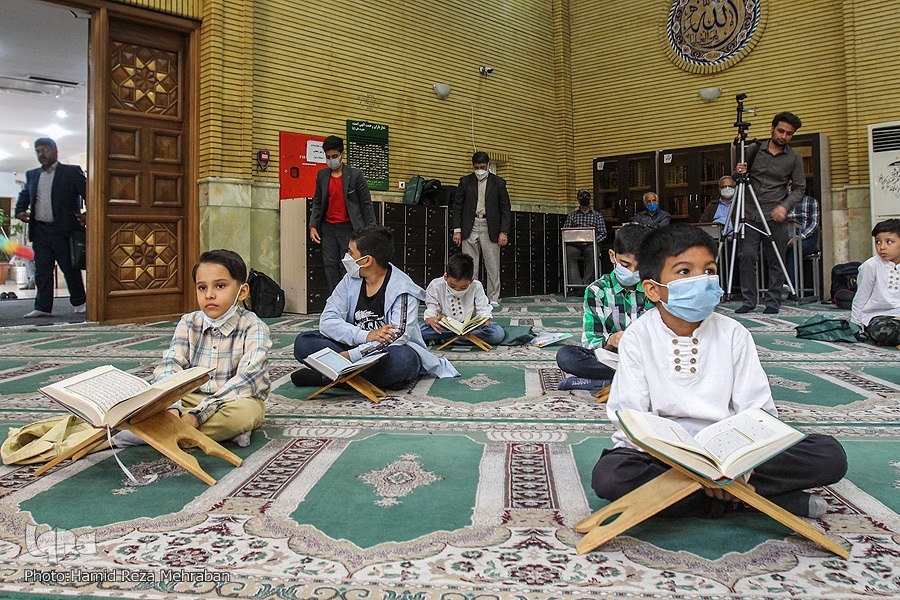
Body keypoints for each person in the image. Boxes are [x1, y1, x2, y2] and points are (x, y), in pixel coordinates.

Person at [591, 225, 847, 518]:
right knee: (611, 475)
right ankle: (745, 502)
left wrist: (740, 469)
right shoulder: (638, 337)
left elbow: (758, 410)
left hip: (733, 454)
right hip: (665, 458)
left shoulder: (733, 333)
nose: (701, 280)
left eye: (709, 271)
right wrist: (690, 466)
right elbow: (630, 417)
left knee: (828, 454)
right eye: (685, 272)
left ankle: (705, 495)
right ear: (652, 289)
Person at [113, 249, 271, 448]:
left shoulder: (253, 326)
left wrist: (198, 415)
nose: (210, 295)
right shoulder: (188, 323)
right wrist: (171, 407)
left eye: (220, 286)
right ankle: (195, 433)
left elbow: (248, 379)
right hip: (187, 398)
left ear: (242, 292)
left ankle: (153, 434)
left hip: (232, 400)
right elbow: (170, 366)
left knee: (245, 414)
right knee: (139, 403)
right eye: (202, 287)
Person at [292, 225, 458, 389]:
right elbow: (327, 320)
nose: (346, 256)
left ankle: (328, 378)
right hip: (355, 344)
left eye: (351, 252)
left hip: (385, 353)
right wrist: (365, 336)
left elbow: (398, 336)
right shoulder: (350, 280)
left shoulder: (403, 288)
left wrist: (351, 356)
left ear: (367, 260)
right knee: (303, 342)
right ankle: (360, 379)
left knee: (405, 360)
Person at [556, 223, 652, 389]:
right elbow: (591, 341)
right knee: (566, 356)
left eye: (639, 267)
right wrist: (611, 340)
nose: (632, 272)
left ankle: (609, 381)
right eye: (625, 264)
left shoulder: (653, 287)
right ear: (612, 256)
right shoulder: (597, 290)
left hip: (648, 358)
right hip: (613, 359)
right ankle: (633, 379)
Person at [734, 112, 806, 315]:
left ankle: (773, 302)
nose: (783, 136)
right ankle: (749, 300)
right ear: (772, 128)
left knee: (777, 259)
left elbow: (800, 188)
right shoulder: (753, 149)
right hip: (749, 212)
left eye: (789, 134)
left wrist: (785, 206)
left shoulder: (794, 158)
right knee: (746, 256)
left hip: (776, 214)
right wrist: (738, 171)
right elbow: (735, 178)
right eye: (781, 131)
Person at [14, 138, 87, 318]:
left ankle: (79, 303)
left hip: (63, 230)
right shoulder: (32, 175)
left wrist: (88, 214)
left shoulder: (70, 172)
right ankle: (43, 307)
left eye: (45, 150)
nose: (42, 154)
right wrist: (19, 211)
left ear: (55, 151)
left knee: (70, 269)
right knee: (42, 270)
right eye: (38, 151)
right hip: (40, 231)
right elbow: (25, 196)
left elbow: (89, 193)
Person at [308, 135, 377, 293]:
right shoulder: (322, 176)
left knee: (346, 266)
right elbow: (317, 202)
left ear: (342, 154)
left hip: (349, 228)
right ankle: (335, 300)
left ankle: (349, 299)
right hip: (328, 229)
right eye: (328, 157)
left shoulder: (355, 175)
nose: (331, 160)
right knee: (330, 265)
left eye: (334, 156)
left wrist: (372, 231)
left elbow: (366, 204)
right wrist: (313, 226)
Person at [451, 151, 511, 308]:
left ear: (488, 166)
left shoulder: (499, 183)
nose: (479, 170)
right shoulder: (465, 182)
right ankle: (470, 296)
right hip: (469, 225)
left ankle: (493, 297)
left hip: (489, 226)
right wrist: (457, 230)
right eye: (476, 167)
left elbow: (505, 209)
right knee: (470, 263)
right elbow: (457, 206)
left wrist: (503, 232)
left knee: (492, 264)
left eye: (482, 167)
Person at [420, 253, 505, 347]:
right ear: (445, 277)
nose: (457, 290)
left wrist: (483, 322)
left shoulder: (476, 286)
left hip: (471, 329)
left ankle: (443, 339)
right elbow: (431, 311)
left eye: (463, 287)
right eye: (452, 286)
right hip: (445, 328)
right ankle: (464, 338)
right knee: (418, 330)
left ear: (471, 281)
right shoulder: (436, 285)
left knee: (497, 334)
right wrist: (431, 319)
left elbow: (483, 312)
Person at [850, 219, 900, 345]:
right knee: (883, 331)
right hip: (879, 318)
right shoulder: (871, 266)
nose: (882, 247)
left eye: (889, 242)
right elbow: (861, 298)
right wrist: (855, 326)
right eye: (878, 242)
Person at [562, 189, 608, 285]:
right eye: (582, 196)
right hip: (575, 245)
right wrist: (575, 241)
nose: (585, 198)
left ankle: (587, 284)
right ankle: (577, 285)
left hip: (591, 245)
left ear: (590, 198)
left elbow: (603, 233)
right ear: (578, 199)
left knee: (593, 254)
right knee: (569, 253)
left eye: (587, 196)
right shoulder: (572, 216)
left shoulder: (597, 215)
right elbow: (566, 233)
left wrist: (593, 241)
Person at [784, 192, 820, 294]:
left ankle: (789, 287)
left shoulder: (811, 201)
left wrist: (799, 237)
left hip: (806, 238)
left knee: (793, 249)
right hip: (785, 237)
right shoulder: (781, 202)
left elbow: (814, 224)